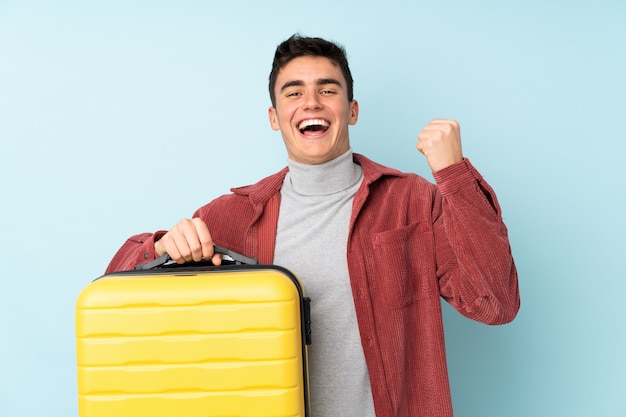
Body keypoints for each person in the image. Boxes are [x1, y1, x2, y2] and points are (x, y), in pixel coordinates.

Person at [106, 34, 520, 417]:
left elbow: (495, 304)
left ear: (352, 110)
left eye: (327, 89)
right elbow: (113, 296)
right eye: (294, 92)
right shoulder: (229, 218)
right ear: (274, 116)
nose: (312, 102)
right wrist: (161, 248)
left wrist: (454, 175)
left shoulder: (413, 201)